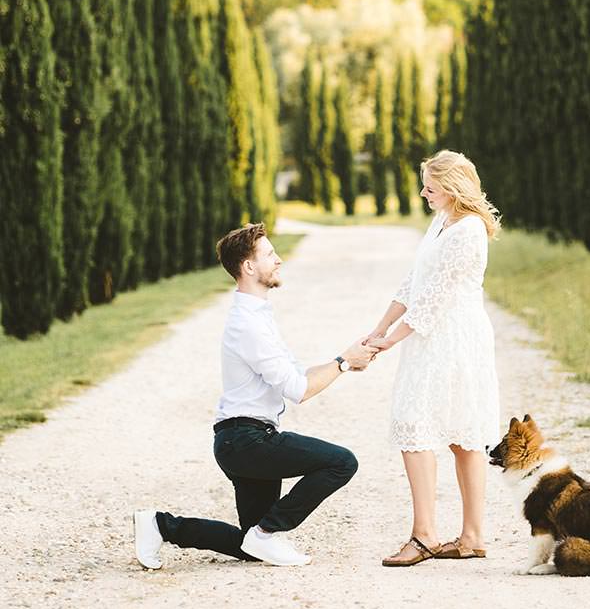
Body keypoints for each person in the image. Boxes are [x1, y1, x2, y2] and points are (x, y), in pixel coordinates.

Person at [133, 222, 377, 569]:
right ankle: (267, 532)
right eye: (269, 255)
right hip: (247, 441)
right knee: (341, 462)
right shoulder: (248, 324)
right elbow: (298, 391)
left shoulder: (258, 317)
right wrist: (342, 363)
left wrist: (347, 360)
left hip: (244, 440)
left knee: (251, 547)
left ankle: (160, 525)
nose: (278, 260)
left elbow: (298, 375)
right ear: (248, 267)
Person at [365, 150, 501, 566]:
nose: (424, 192)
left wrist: (392, 341)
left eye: (430, 185)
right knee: (423, 423)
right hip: (429, 338)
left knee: (448, 428)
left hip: (455, 339)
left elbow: (436, 298)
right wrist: (380, 327)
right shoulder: (441, 221)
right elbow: (414, 282)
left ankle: (442, 536)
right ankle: (455, 535)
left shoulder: (470, 230)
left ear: (454, 186)